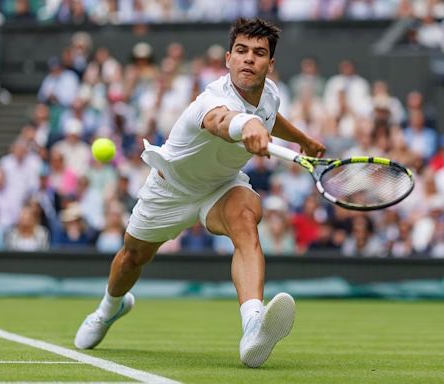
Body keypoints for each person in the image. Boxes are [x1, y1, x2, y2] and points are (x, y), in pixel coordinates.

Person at [74, 18, 325, 368]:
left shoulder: (270, 94)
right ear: (228, 59)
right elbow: (223, 122)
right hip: (172, 187)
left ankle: (253, 324)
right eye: (241, 51)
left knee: (246, 219)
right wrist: (247, 126)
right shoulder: (212, 100)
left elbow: (269, 115)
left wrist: (302, 139)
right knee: (132, 258)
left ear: (270, 64)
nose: (249, 59)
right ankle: (107, 309)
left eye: (258, 53)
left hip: (221, 185)